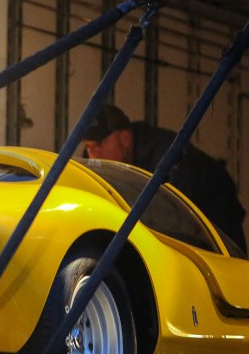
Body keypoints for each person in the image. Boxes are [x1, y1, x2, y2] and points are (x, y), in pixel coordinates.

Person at [82, 104, 246, 251]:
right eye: (88, 147)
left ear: (124, 138)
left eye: (99, 144)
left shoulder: (166, 154)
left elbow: (175, 215)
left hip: (215, 214)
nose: (93, 154)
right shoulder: (97, 160)